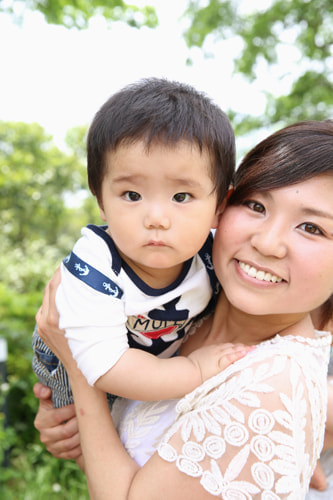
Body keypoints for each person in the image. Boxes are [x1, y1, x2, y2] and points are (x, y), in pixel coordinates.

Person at [36, 120, 333, 498]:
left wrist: (81, 371)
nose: (267, 243)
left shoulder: (272, 388)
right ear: (221, 207)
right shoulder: (194, 292)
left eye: (312, 228)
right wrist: (72, 414)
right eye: (256, 205)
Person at [32, 77, 251, 408]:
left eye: (182, 196)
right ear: (101, 201)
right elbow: (106, 368)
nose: (157, 218)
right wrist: (193, 369)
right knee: (80, 431)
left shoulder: (215, 253)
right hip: (77, 362)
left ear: (220, 206)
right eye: (132, 195)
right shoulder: (95, 266)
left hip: (155, 361)